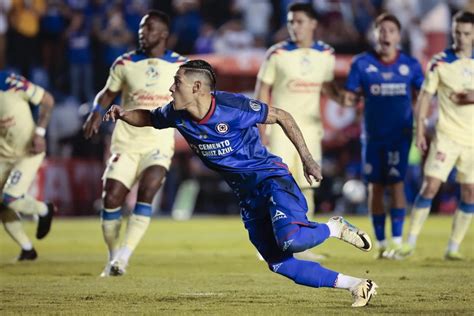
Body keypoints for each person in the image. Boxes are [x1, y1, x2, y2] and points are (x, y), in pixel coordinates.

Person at [104, 59, 378, 307]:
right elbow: (150, 118)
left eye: (177, 82)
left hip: (271, 180)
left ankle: (333, 227)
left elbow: (282, 115)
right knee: (279, 263)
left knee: (290, 240)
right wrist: (123, 113)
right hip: (247, 197)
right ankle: (357, 285)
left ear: (197, 86)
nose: (170, 88)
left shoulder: (232, 107)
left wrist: (307, 159)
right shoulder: (176, 114)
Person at [82, 10, 187, 277]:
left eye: (149, 28)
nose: (143, 32)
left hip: (159, 143)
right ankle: (112, 255)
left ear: (163, 34)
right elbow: (107, 95)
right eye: (141, 27)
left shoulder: (182, 66)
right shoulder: (124, 62)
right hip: (126, 143)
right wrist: (95, 114)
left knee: (148, 189)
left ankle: (123, 258)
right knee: (111, 198)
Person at [255, 2, 338, 260]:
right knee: (278, 183)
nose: (294, 26)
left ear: (314, 24)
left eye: (299, 21)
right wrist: (261, 130)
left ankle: (303, 244)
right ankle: (269, 242)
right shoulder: (277, 54)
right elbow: (261, 91)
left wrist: (345, 99)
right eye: (291, 21)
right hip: (279, 129)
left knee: (308, 185)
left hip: (310, 130)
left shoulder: (326, 54)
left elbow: (327, 87)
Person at [342, 13, 424, 259]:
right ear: (375, 34)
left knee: (397, 183)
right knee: (375, 187)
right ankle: (379, 243)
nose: (386, 34)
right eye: (382, 30)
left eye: (391, 30)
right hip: (373, 136)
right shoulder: (362, 63)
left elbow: (424, 95)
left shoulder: (410, 65)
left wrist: (421, 125)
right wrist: (345, 96)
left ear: (399, 36)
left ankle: (397, 243)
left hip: (399, 135)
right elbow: (350, 96)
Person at [398, 11, 474, 260]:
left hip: (472, 140)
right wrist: (420, 130)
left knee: (470, 192)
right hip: (447, 136)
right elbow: (424, 97)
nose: (461, 38)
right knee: (430, 186)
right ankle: (409, 242)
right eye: (457, 33)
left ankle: (453, 247)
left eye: (466, 33)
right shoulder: (440, 62)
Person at [0, 70, 55, 261]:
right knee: (2, 206)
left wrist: (39, 133)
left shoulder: (9, 82)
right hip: (3, 157)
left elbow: (47, 100)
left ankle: (45, 210)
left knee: (10, 199)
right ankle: (27, 249)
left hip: (29, 151)